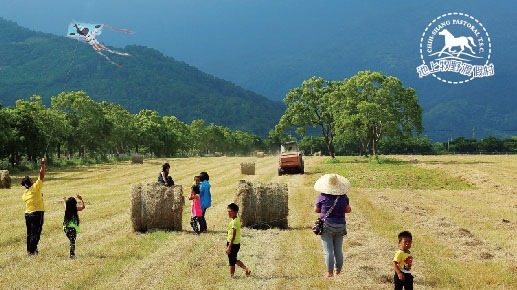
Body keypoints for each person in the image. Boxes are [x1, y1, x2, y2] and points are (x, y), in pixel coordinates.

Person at [313, 173, 352, 278]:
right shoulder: (343, 197)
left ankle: (329, 273)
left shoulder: (322, 196)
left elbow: (316, 210)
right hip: (340, 225)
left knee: (328, 251)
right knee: (338, 250)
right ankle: (338, 271)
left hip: (327, 225)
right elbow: (348, 210)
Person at [21, 157, 46, 256]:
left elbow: (32, 199)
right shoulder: (35, 188)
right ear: (31, 182)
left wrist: (40, 196)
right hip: (37, 213)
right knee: (36, 233)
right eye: (31, 179)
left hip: (27, 214)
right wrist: (43, 164)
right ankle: (32, 252)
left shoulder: (25, 194)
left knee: (29, 233)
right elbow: (41, 175)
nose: (33, 180)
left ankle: (31, 250)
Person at [226, 203, 251, 278]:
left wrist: (229, 246)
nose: (229, 213)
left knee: (231, 261)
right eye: (228, 211)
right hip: (235, 244)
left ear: (235, 212)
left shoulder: (234, 222)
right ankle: (246, 269)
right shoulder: (236, 220)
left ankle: (232, 276)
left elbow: (233, 236)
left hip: (233, 244)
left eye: (230, 211)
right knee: (233, 259)